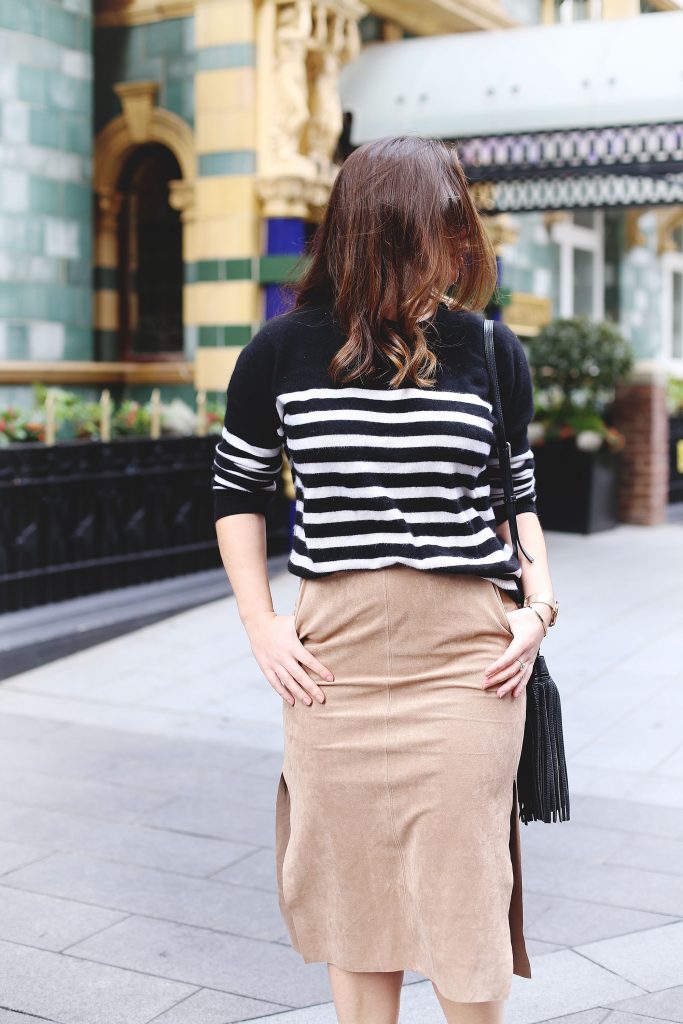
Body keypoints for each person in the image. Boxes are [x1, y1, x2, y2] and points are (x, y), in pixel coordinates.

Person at [212, 136, 557, 1024]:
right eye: (437, 225)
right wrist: (260, 625)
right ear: (382, 229)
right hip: (337, 667)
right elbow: (237, 491)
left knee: (463, 894)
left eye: (458, 225)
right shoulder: (280, 351)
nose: (455, 244)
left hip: (466, 666)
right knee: (354, 898)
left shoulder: (487, 346)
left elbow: (516, 496)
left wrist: (538, 609)